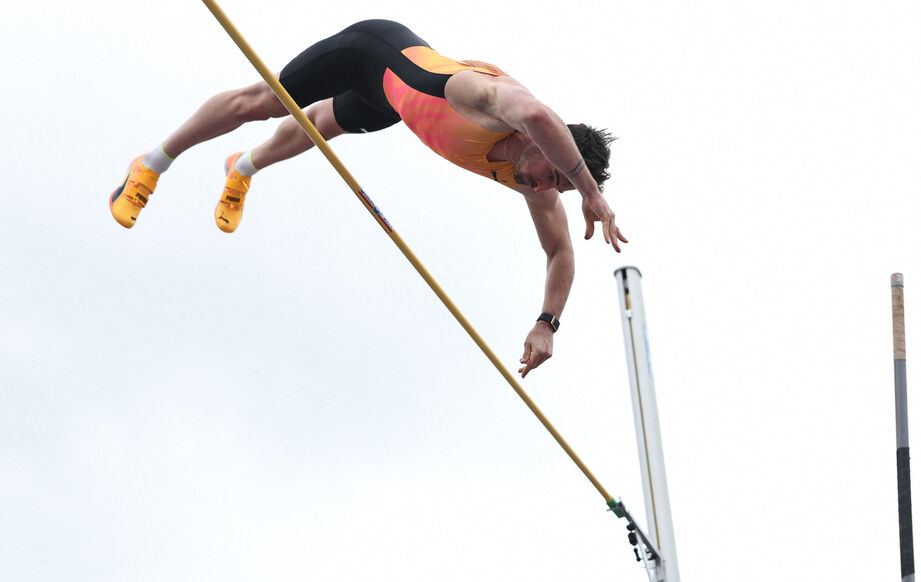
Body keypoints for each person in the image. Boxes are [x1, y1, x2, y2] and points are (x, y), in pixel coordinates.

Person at [108, 19, 627, 377]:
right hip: (373, 53)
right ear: (547, 146)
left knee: (315, 128)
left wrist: (547, 324)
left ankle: (242, 168)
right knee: (261, 102)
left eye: (553, 188)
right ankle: (153, 162)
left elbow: (560, 252)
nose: (539, 189)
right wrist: (591, 194)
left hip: (392, 104)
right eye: (548, 176)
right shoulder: (497, 103)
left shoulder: (533, 182)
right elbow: (539, 116)